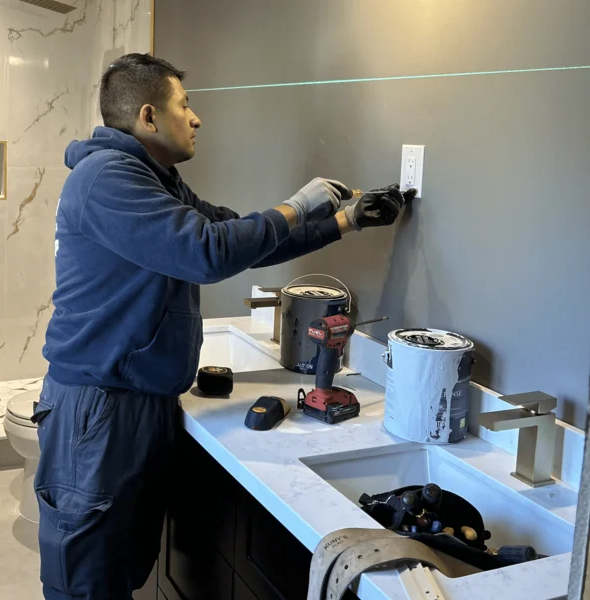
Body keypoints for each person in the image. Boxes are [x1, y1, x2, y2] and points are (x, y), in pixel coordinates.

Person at [34, 53, 414, 600]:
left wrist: (341, 220)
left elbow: (235, 236)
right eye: (184, 105)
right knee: (87, 583)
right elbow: (207, 253)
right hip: (98, 409)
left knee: (123, 568)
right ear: (148, 117)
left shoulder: (155, 180)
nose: (196, 118)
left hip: (138, 405)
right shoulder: (107, 178)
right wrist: (292, 205)